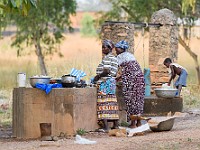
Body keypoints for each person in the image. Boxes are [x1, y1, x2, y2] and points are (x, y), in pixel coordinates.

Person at [115, 40, 145, 128]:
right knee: (138, 100)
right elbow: (131, 70)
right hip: (140, 79)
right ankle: (138, 122)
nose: (116, 50)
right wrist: (120, 77)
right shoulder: (130, 55)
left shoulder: (119, 57)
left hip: (131, 81)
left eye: (117, 48)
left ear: (121, 49)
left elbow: (114, 70)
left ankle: (132, 124)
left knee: (131, 100)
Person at [93, 39, 119, 132]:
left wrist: (97, 76)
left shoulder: (107, 58)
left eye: (104, 47)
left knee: (103, 103)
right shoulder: (115, 58)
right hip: (112, 82)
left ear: (110, 48)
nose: (103, 49)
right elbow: (114, 73)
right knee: (112, 102)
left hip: (105, 82)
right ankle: (116, 125)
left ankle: (106, 127)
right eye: (102, 47)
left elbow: (106, 71)